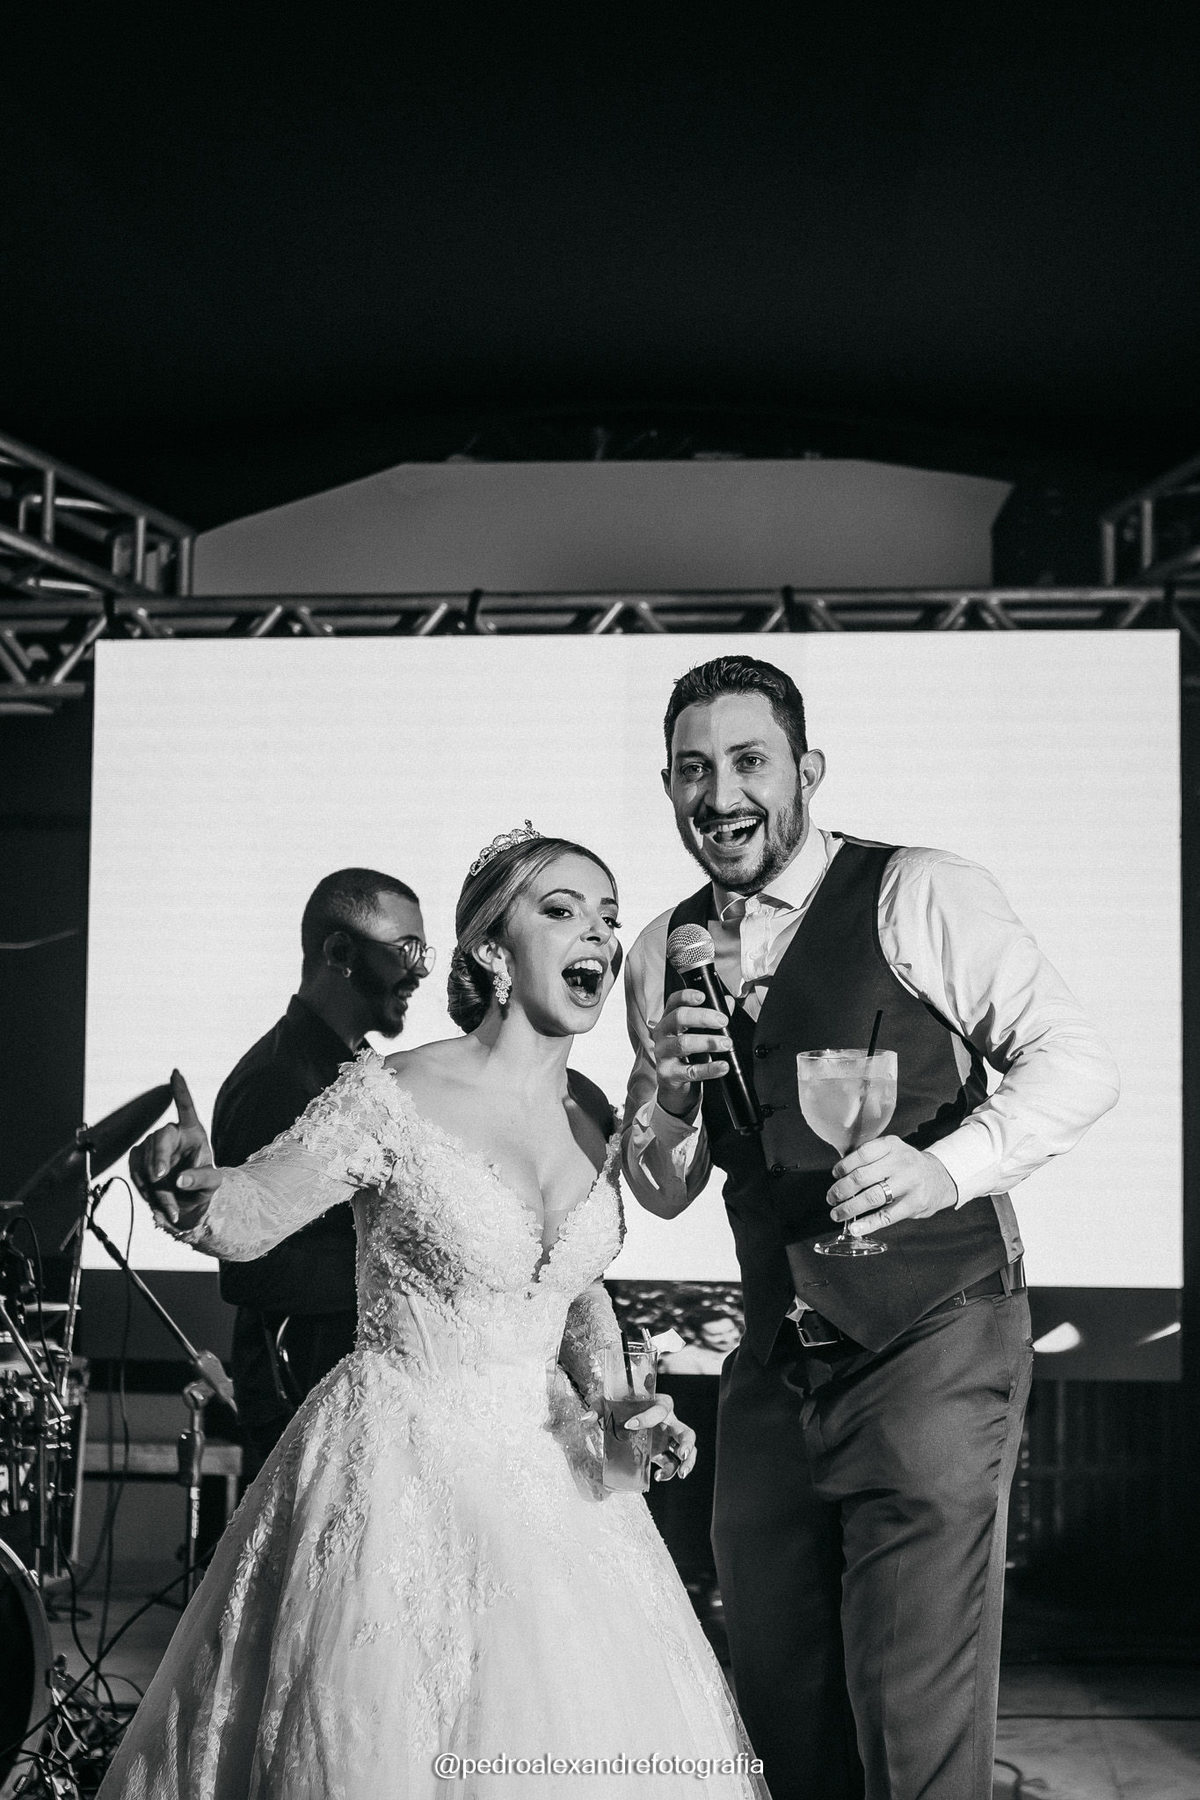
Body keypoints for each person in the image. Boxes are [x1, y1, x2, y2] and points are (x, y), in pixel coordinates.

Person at [103, 827, 769, 1800]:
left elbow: (573, 1291)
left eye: (608, 915)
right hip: (403, 1470)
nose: (599, 933)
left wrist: (622, 1411)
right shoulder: (394, 1093)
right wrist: (191, 1194)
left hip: (556, 1484)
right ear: (491, 949)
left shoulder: (591, 1110)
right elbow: (252, 1215)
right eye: (562, 909)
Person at [621, 655, 1120, 1800]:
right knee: (778, 1710)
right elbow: (662, 1189)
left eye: (749, 761)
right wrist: (674, 1099)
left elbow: (1077, 1062)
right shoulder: (661, 950)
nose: (720, 795)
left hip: (931, 1339)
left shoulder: (919, 892)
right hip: (774, 1364)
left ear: (809, 770)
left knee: (911, 1715)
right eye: (693, 770)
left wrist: (944, 1170)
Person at [213, 867, 433, 1480]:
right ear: (339, 952)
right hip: (303, 1396)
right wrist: (407, 1268)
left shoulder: (357, 1071)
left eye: (424, 952)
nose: (420, 972)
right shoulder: (276, 1079)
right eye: (406, 950)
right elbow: (253, 1271)